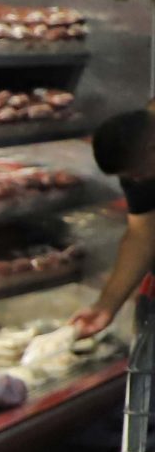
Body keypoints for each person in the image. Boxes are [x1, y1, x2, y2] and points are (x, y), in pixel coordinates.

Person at [75, 106, 155, 337]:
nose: (136, 181)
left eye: (138, 173)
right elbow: (142, 236)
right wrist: (105, 305)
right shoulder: (140, 158)